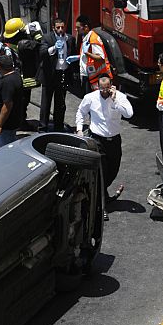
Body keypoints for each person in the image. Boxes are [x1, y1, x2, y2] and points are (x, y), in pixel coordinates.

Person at [76, 76, 133, 218]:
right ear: (97, 87)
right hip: (98, 140)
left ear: (112, 86)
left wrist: (115, 100)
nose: (105, 91)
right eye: (102, 88)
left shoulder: (119, 97)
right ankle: (100, 206)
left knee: (113, 170)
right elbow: (80, 112)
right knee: (101, 173)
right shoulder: (90, 97)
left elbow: (129, 113)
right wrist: (79, 130)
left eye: (107, 88)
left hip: (114, 141)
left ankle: (100, 193)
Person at [39, 18, 77, 132]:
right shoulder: (47, 38)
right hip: (50, 75)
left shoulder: (70, 39)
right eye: (58, 27)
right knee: (46, 103)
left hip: (63, 73)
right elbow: (42, 52)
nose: (60, 30)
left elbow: (73, 53)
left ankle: (58, 126)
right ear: (53, 28)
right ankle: (42, 127)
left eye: (62, 27)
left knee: (60, 103)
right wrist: (54, 48)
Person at [0, 54, 24, 148]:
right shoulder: (12, 76)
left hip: (6, 127)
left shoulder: (8, 82)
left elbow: (7, 105)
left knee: (5, 150)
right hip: (6, 125)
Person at [76, 14, 112, 94]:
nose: (76, 29)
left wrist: (87, 53)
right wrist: (78, 57)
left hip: (96, 77)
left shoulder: (93, 39)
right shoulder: (86, 37)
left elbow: (100, 57)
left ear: (85, 27)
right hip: (89, 76)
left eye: (78, 27)